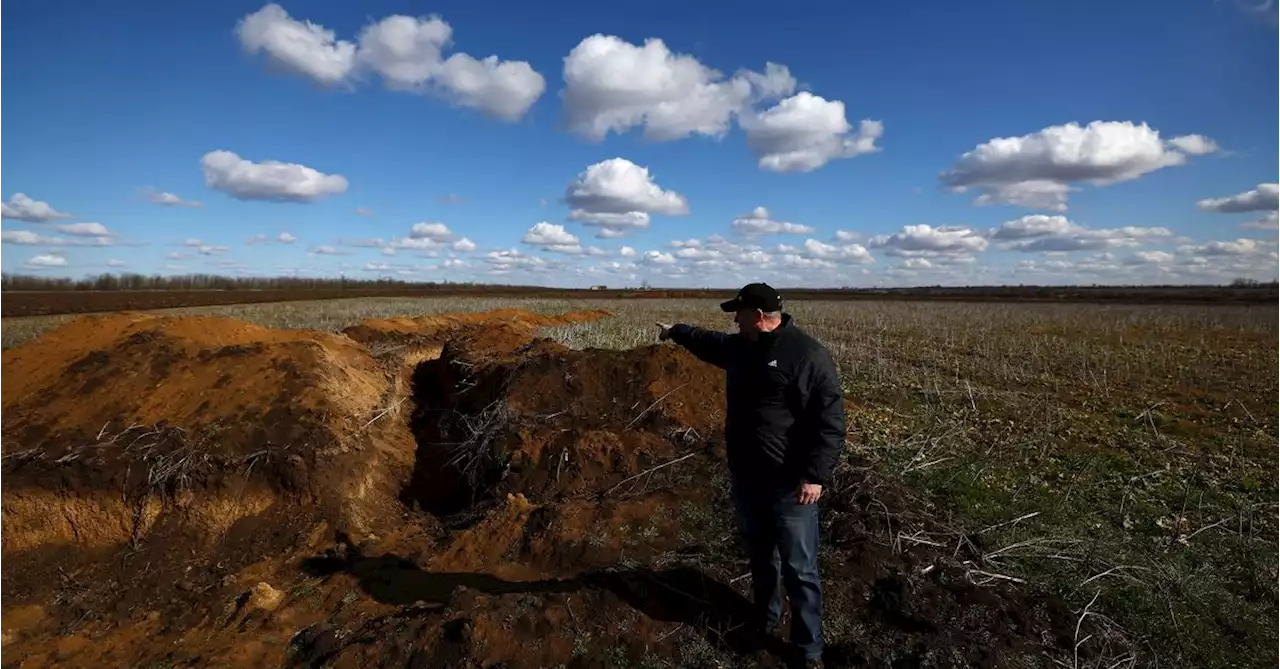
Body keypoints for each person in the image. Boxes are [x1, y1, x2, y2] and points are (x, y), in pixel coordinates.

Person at [657, 282, 845, 669]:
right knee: (761, 557)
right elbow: (707, 342)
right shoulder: (740, 348)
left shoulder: (806, 356)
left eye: (738, 314)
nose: (733, 320)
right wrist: (676, 331)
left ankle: (808, 650)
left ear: (758, 317)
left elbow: (830, 421)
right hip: (747, 477)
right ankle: (764, 618)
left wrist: (815, 475)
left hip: (789, 485)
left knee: (800, 569)